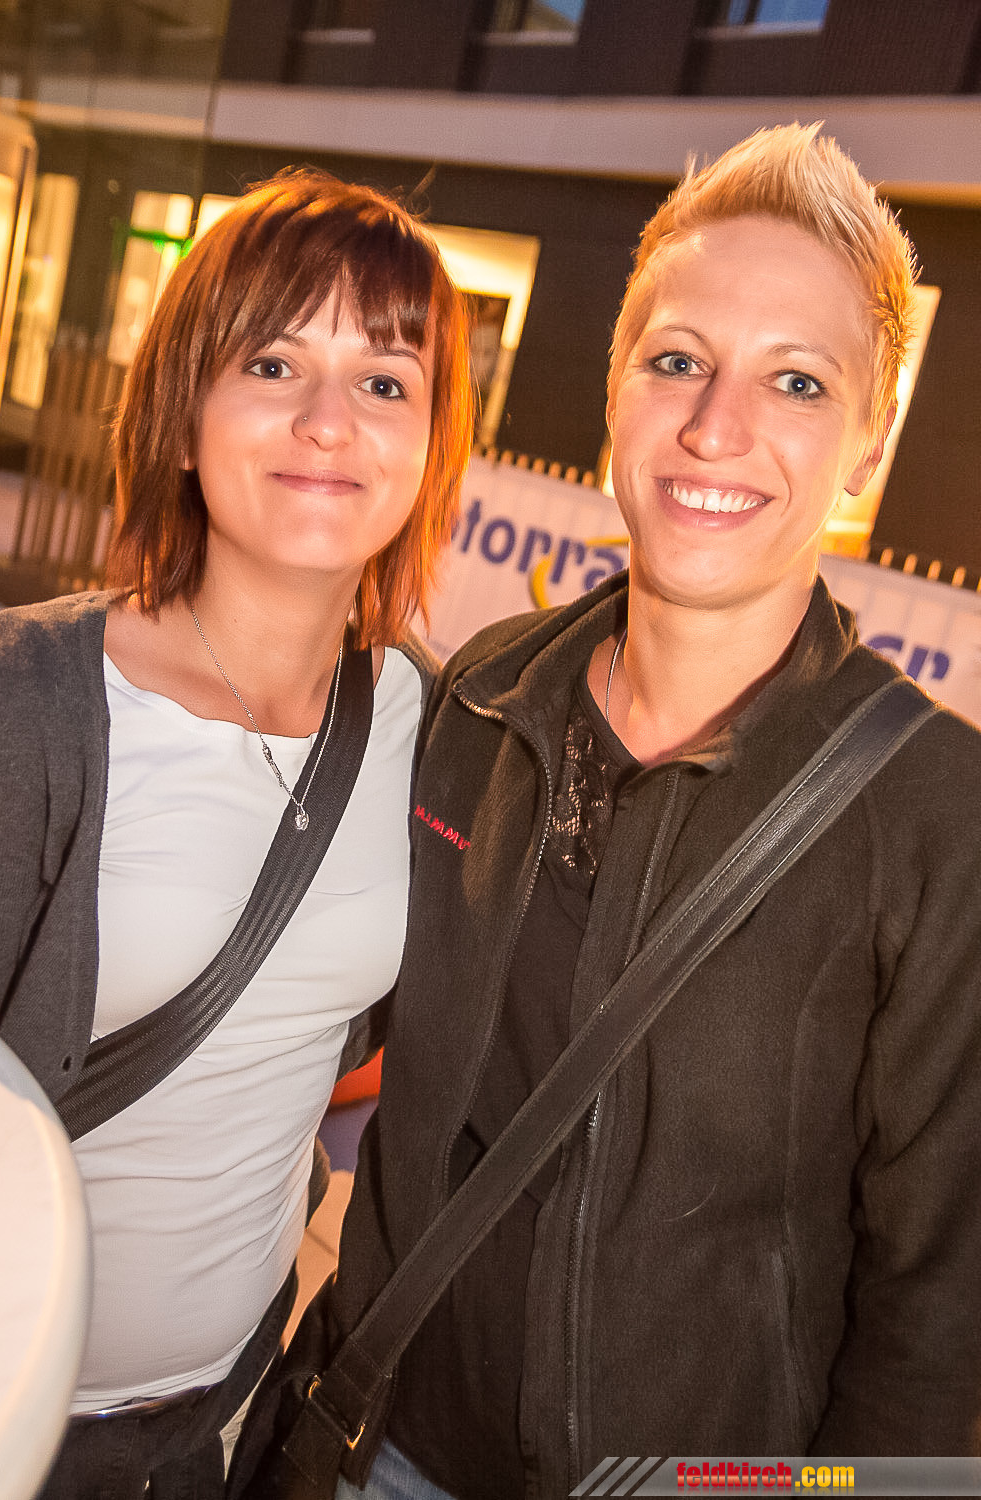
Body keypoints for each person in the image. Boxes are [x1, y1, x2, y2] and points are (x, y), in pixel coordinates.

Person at [279, 124, 981, 1498]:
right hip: (378, 1440)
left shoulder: (937, 818)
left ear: (868, 442)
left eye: (797, 380)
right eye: (676, 361)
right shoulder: (483, 696)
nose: (716, 428)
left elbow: (943, 1317)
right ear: (614, 390)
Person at [0, 167, 472, 1497]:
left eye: (385, 380)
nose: (329, 421)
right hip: (11, 1425)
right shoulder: (24, 703)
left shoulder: (432, 725)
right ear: (183, 414)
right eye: (272, 363)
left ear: (429, 447)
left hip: (223, 1421)